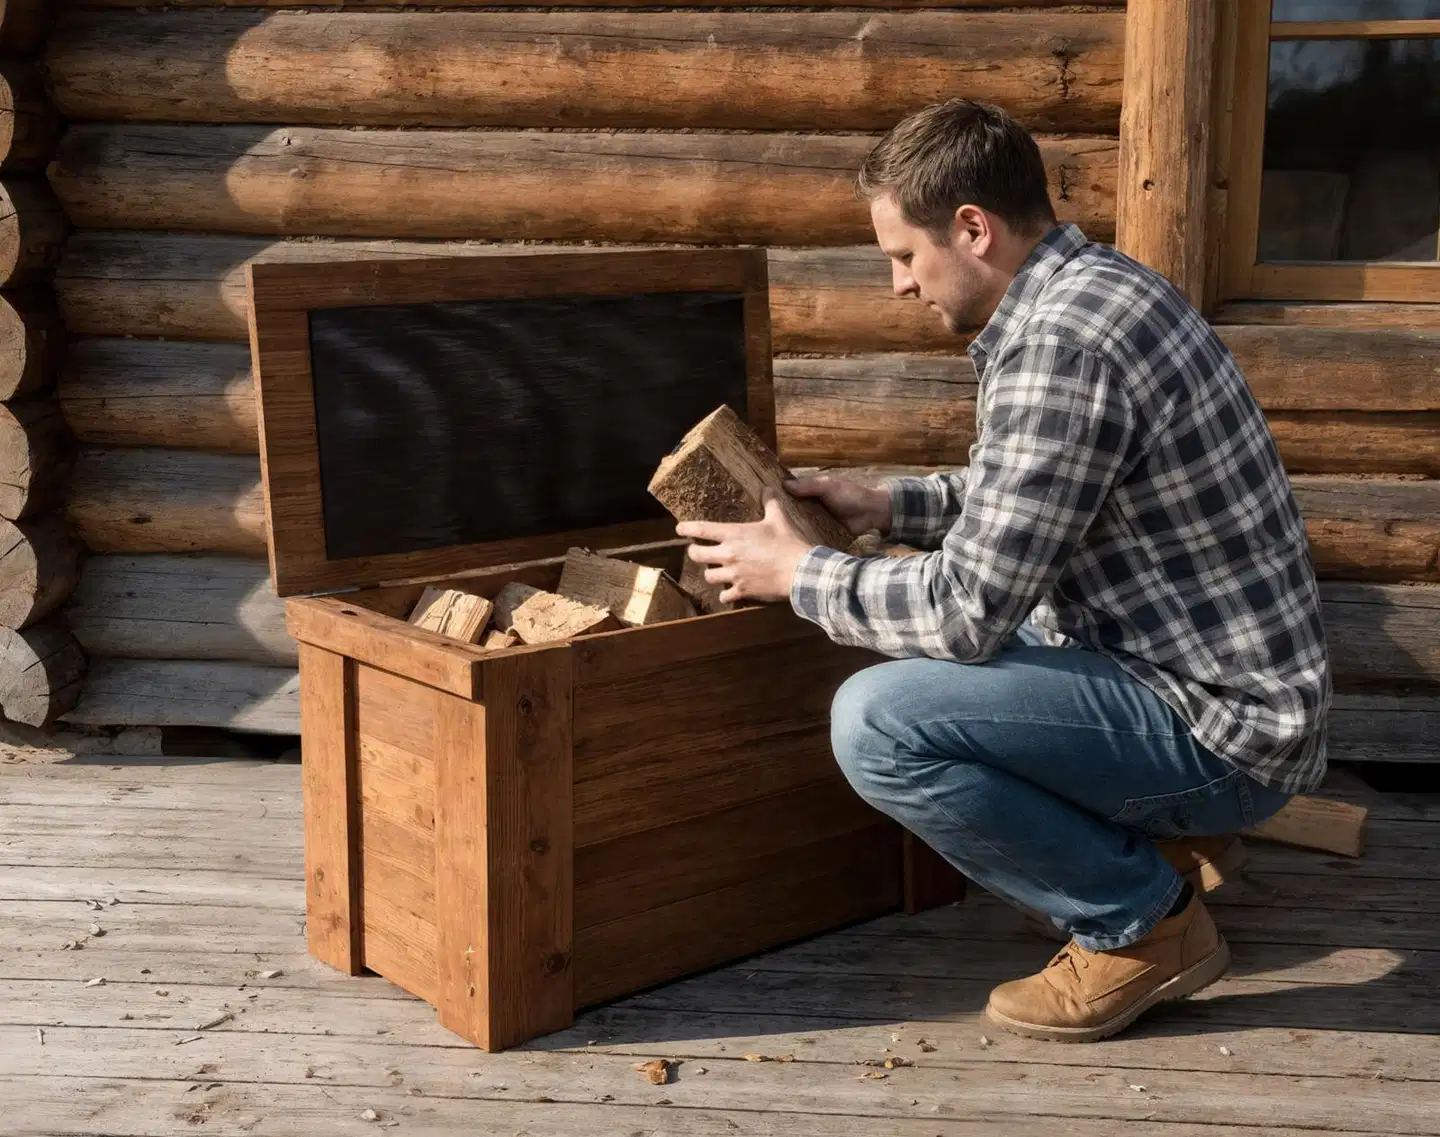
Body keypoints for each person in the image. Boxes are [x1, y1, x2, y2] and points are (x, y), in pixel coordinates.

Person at [677, 99, 1331, 1043]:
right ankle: (1161, 848)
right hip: (1203, 679)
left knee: (880, 720)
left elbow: (967, 609)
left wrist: (803, 571)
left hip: (1221, 730)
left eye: (905, 255)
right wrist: (887, 504)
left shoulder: (1059, 346)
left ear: (972, 229)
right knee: (923, 656)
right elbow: (1033, 497)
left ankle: (1141, 925)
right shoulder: (1096, 290)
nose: (900, 285)